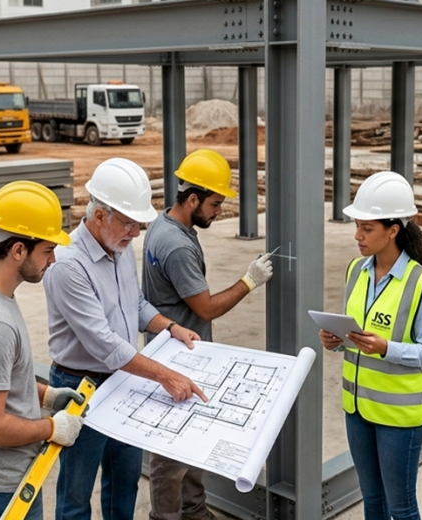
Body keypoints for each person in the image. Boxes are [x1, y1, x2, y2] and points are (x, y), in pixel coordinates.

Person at [44, 157, 209, 520]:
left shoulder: (118, 247)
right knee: (76, 490)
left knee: (125, 481)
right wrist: (166, 375)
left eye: (138, 224)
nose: (136, 232)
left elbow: (132, 304)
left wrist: (170, 326)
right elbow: (104, 343)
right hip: (79, 385)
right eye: (129, 222)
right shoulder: (68, 265)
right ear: (100, 215)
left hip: (122, 378)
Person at [142, 149, 273, 520]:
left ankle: (195, 511)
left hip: (177, 348)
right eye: (215, 204)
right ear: (193, 198)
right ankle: (168, 517)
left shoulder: (165, 224)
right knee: (170, 449)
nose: (219, 211)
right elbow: (207, 308)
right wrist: (249, 281)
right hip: (178, 353)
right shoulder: (177, 245)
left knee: (190, 436)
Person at [0, 181, 86, 520]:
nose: (53, 260)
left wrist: (46, 395)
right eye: (48, 250)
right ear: (19, 250)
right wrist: (51, 428)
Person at [318, 171, 422, 520]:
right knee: (371, 501)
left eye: (367, 228)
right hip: (357, 409)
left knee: (401, 508)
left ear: (393, 230)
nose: (358, 236)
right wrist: (335, 341)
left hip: (399, 419)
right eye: (357, 226)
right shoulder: (356, 270)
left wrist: (386, 348)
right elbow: (355, 333)